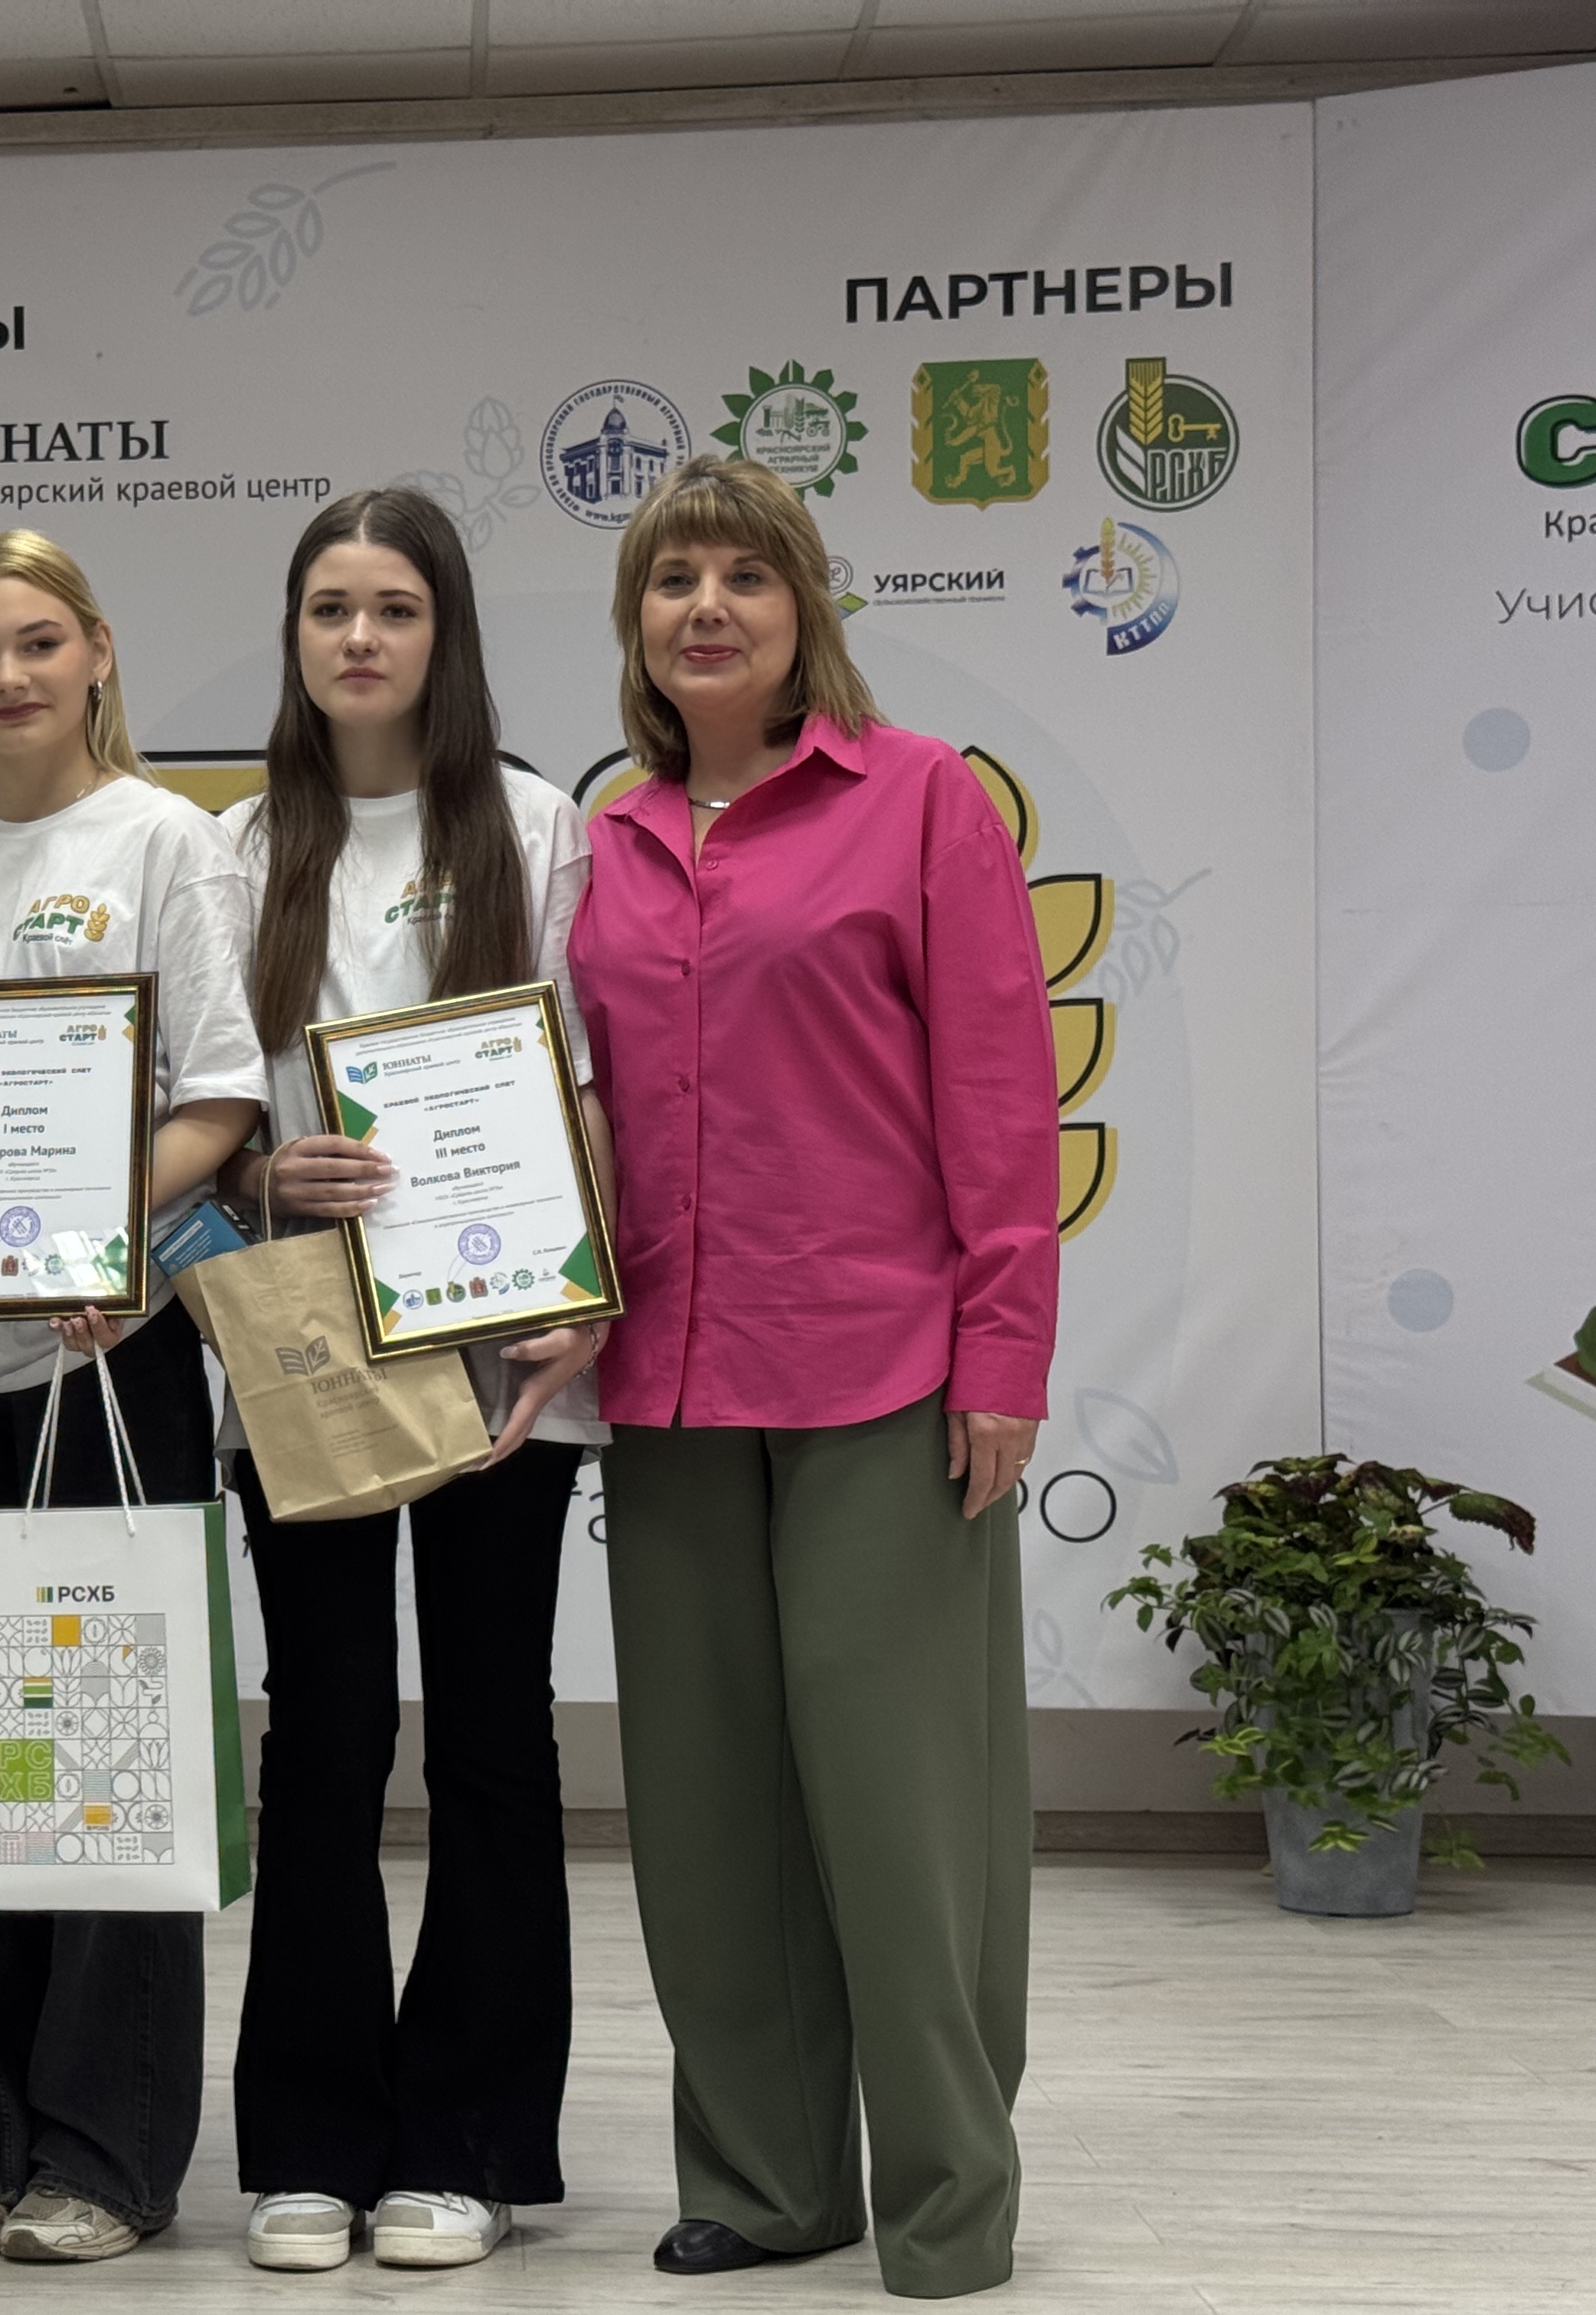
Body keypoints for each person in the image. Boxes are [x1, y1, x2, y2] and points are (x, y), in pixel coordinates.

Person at [567, 455, 1058, 2300]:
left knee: (903, 1814)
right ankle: (771, 2185)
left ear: (804, 611)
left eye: (744, 578)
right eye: (672, 579)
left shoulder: (921, 799)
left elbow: (1000, 1096)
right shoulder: (610, 841)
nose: (706, 607)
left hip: (882, 1372)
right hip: (669, 1380)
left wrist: (1004, 1350)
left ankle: (947, 2200)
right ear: (637, 622)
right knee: (709, 1819)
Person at [0, 531, 265, 2266]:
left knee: (104, 1760)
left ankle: (105, 2149)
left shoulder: (166, 841)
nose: (6, 678)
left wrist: (107, 1235)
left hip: (101, 1349)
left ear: (95, 652)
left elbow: (218, 1098)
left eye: (35, 643)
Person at [206, 485, 609, 2274]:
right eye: (330, 609)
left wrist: (587, 1299)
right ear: (295, 638)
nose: (360, 638)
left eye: (394, 608)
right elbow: (201, 1113)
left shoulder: (534, 823)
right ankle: (310, 2141)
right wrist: (257, 1173)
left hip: (503, 1346)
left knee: (496, 1735)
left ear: (446, 635)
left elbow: (585, 1083)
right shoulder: (236, 849)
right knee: (323, 1734)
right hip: (307, 1348)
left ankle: (470, 2141)